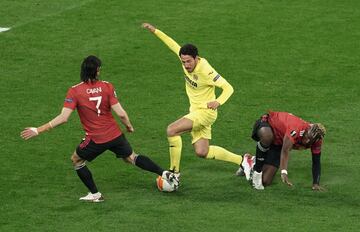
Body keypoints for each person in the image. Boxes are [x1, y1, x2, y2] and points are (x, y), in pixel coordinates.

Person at [20, 55, 176, 202]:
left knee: (76, 160)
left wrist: (38, 130)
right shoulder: (107, 86)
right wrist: (128, 126)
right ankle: (164, 173)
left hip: (96, 138)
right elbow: (121, 113)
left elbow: (63, 118)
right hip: (115, 134)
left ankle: (95, 194)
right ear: (96, 71)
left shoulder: (75, 91)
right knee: (131, 157)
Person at [142, 23, 245, 179]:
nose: (186, 65)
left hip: (206, 112)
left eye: (189, 61)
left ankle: (174, 173)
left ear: (197, 58)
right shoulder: (185, 59)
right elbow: (172, 44)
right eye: (183, 62)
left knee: (171, 130)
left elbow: (228, 87)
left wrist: (218, 102)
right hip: (195, 111)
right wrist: (155, 31)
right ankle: (244, 161)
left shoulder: (206, 70)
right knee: (202, 152)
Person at [242, 111, 326, 191]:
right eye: (307, 137)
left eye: (310, 140)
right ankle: (257, 170)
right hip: (267, 125)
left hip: (278, 142)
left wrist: (316, 183)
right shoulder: (296, 129)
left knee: (265, 181)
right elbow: (285, 150)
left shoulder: (317, 141)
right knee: (267, 137)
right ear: (307, 130)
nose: (307, 141)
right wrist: (284, 172)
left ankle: (250, 161)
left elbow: (316, 161)